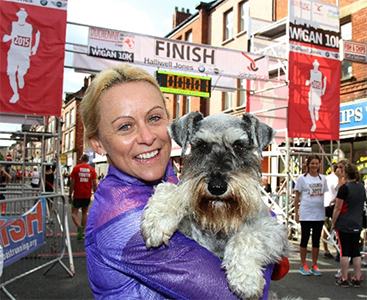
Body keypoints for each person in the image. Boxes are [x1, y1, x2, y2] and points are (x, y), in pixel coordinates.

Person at [80, 63, 277, 299]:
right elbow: (232, 294)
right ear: (98, 143)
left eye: (154, 118)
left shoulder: (166, 176)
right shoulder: (124, 221)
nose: (147, 137)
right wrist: (264, 248)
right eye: (125, 126)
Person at [332, 162, 366, 287]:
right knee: (355, 251)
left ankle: (344, 277)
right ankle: (357, 277)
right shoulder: (361, 187)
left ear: (345, 174)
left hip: (344, 222)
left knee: (344, 251)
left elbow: (337, 207)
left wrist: (333, 222)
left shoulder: (344, 188)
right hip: (357, 222)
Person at [294, 154, 327, 276]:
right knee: (304, 239)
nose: (314, 166)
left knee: (316, 241)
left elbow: (326, 195)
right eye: (312, 163)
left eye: (316, 163)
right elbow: (297, 197)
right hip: (306, 213)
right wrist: (296, 213)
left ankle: (314, 264)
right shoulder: (302, 178)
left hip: (319, 213)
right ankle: (303, 264)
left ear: (319, 165)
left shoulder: (323, 179)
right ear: (308, 165)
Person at [2, 7, 40, 104]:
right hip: (13, 53)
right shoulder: (13, 25)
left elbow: (38, 32)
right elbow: (4, 38)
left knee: (21, 72)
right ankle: (15, 93)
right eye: (20, 14)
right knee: (11, 73)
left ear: (26, 16)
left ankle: (20, 76)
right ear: (18, 15)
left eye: (24, 15)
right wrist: (11, 36)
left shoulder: (29, 27)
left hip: (24, 54)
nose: (22, 16)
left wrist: (35, 46)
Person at [69, 154, 98, 240]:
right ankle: (83, 232)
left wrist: (70, 194)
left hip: (77, 194)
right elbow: (94, 184)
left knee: (74, 213)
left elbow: (72, 183)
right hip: (87, 194)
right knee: (84, 212)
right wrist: (96, 193)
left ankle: (79, 226)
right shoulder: (92, 170)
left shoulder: (76, 169)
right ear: (88, 160)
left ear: (81, 159)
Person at [305, 59, 327, 132]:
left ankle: (316, 113)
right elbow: (306, 83)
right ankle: (314, 124)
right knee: (311, 108)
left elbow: (325, 79)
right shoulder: (310, 72)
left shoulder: (320, 73)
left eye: (317, 65)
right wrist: (309, 81)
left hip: (318, 92)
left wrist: (323, 89)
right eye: (315, 65)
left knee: (317, 107)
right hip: (312, 92)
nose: (316, 66)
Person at [322, 163, 338, 259]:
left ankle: (325, 249)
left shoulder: (325, 178)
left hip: (324, 204)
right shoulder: (337, 179)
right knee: (336, 226)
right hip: (333, 205)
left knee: (325, 228)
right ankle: (338, 249)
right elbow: (339, 192)